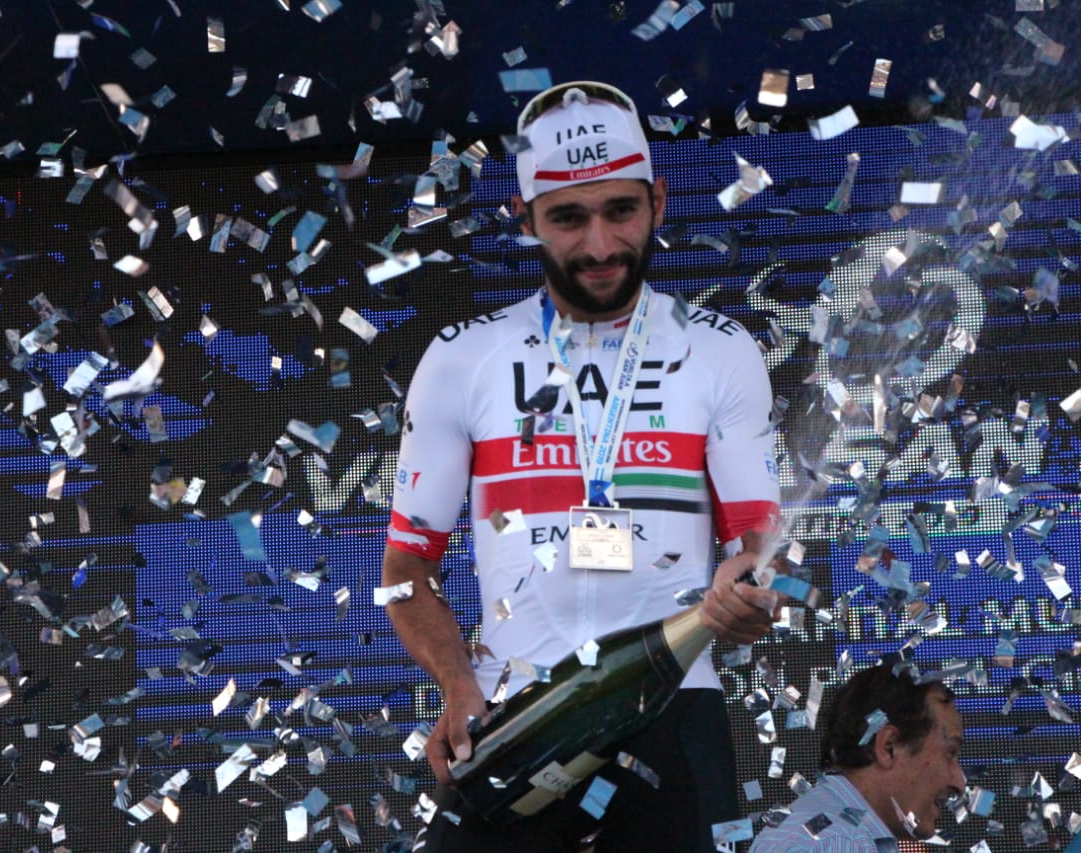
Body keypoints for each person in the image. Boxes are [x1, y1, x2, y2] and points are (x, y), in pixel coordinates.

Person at [381, 80, 782, 852]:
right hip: (513, 714)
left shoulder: (720, 349)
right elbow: (405, 570)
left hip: (676, 708)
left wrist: (754, 585)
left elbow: (760, 544)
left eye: (620, 210)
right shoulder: (463, 358)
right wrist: (457, 683)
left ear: (658, 203)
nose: (599, 246)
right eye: (569, 217)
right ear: (525, 217)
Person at [748, 663, 967, 852]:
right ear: (888, 747)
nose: (960, 783)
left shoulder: (826, 832)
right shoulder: (839, 843)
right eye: (950, 753)